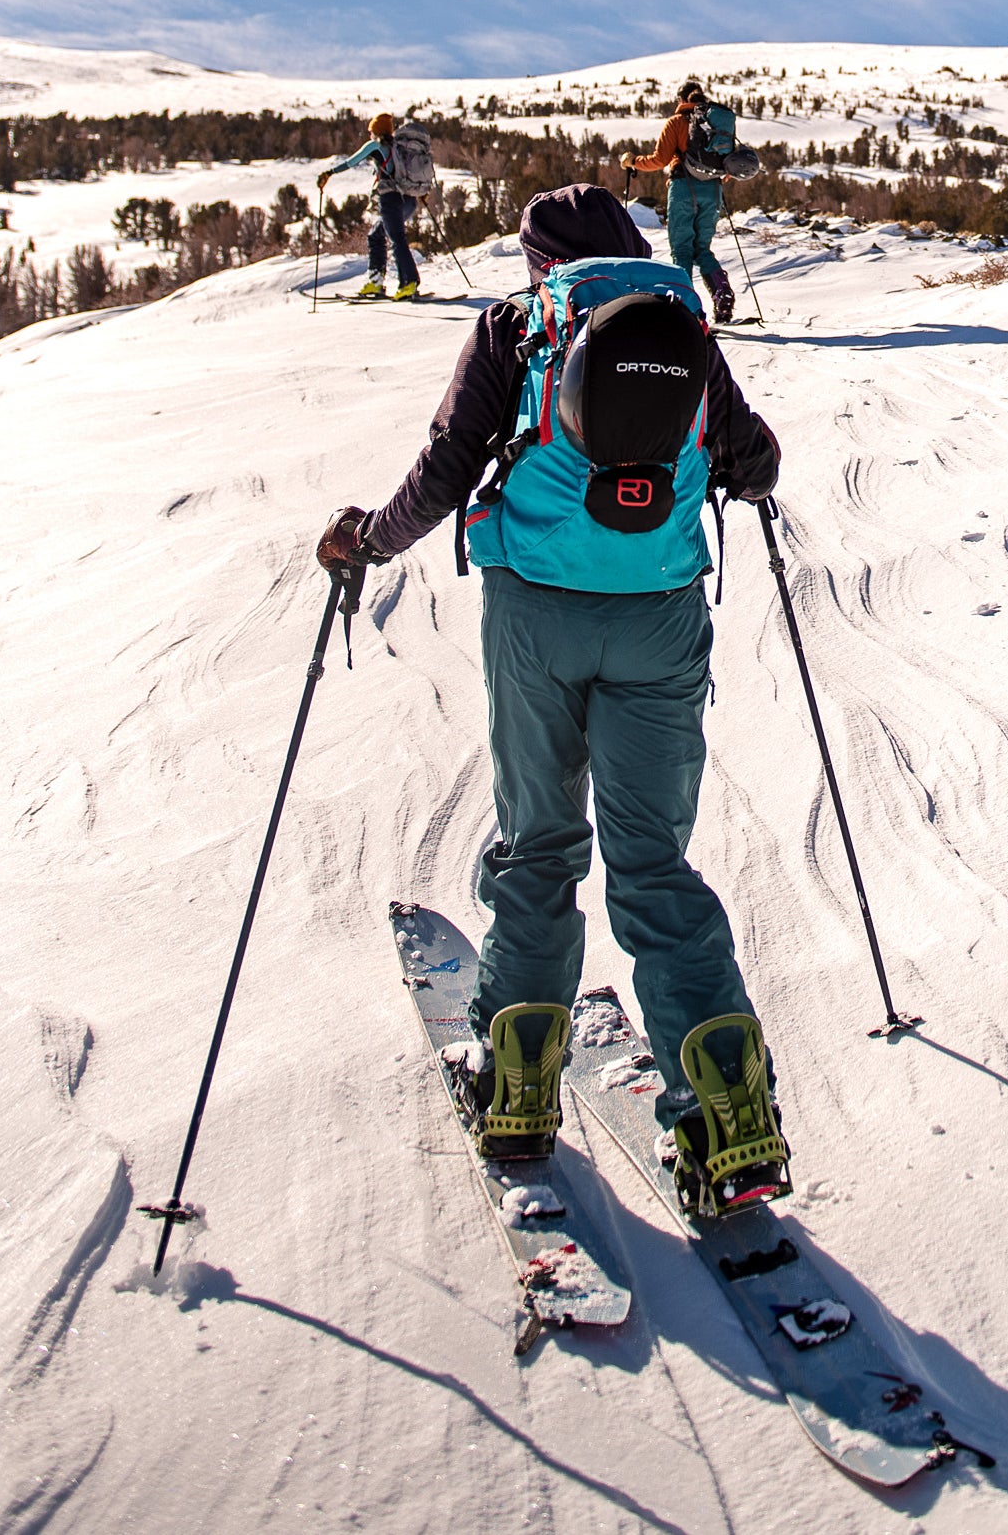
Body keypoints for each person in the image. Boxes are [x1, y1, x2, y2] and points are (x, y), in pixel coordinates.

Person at [314, 183, 789, 1215]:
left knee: (538, 846)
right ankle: (730, 1114)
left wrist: (368, 539)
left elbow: (444, 469)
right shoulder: (682, 325)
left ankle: (519, 1083)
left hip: (534, 616)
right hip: (660, 617)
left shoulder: (517, 324)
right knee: (653, 863)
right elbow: (756, 466)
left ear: (539, 257)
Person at [623, 79, 737, 324]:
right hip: (713, 192)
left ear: (682, 100)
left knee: (682, 249)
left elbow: (659, 160)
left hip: (683, 189)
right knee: (702, 249)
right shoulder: (717, 125)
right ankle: (722, 292)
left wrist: (633, 161)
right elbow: (727, 166)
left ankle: (685, 309)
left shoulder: (675, 123)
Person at [318, 113, 420, 300]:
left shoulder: (376, 145)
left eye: (371, 130)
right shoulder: (399, 146)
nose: (369, 134)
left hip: (391, 199)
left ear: (376, 130)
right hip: (410, 200)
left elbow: (351, 162)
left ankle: (408, 283)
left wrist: (329, 173)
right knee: (376, 234)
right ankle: (377, 281)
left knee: (397, 240)